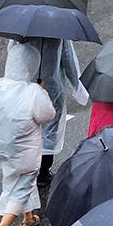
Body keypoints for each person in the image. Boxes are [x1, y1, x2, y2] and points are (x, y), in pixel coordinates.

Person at [0, 41, 56, 226]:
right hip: (25, 151)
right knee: (21, 187)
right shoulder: (32, 91)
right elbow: (47, 115)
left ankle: (28, 218)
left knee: (13, 180)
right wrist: (42, 92)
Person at [35, 38, 90, 185]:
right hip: (50, 86)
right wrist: (78, 87)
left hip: (26, 85)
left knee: (30, 128)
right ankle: (43, 171)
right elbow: (68, 58)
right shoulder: (57, 31)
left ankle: (31, 167)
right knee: (49, 129)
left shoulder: (18, 33)